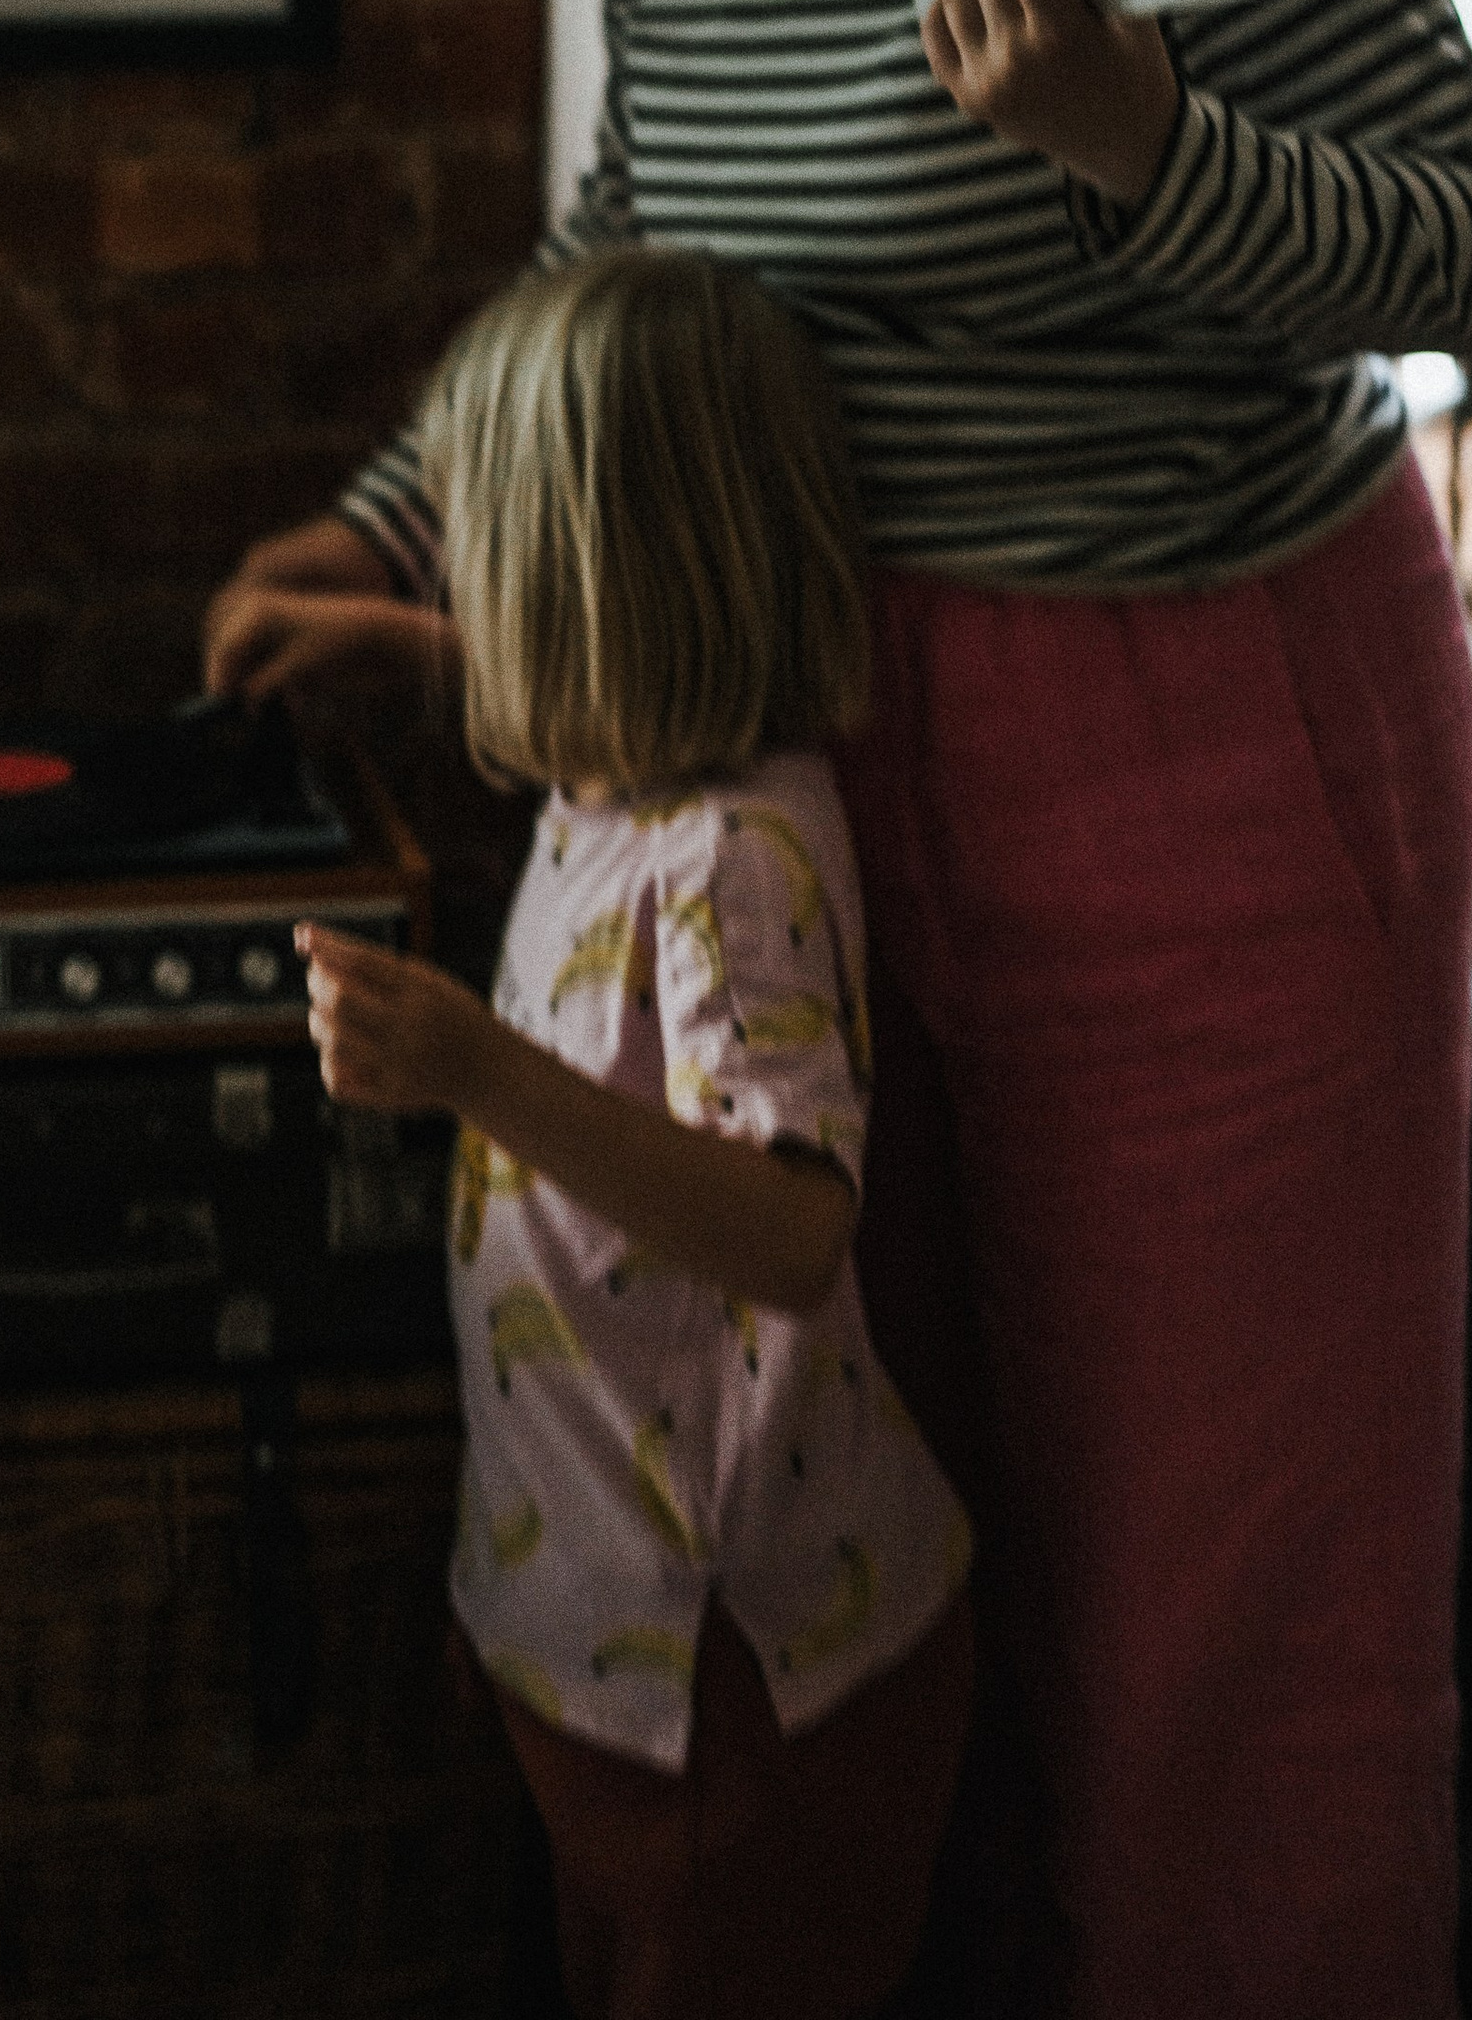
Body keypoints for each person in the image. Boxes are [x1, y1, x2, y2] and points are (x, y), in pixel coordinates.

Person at [206, 0, 1472, 2016]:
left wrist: (1139, 148)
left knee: (1223, 1637)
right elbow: (629, 244)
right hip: (811, 767)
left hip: (1214, 754)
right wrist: (392, 524)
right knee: (888, 1589)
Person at [298, 243, 975, 2020]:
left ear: (594, 588)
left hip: (751, 1669)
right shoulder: (607, 791)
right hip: (618, 1643)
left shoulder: (732, 860)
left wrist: (477, 1074)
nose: (463, 596)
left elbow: (794, 1230)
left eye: (483, 556)